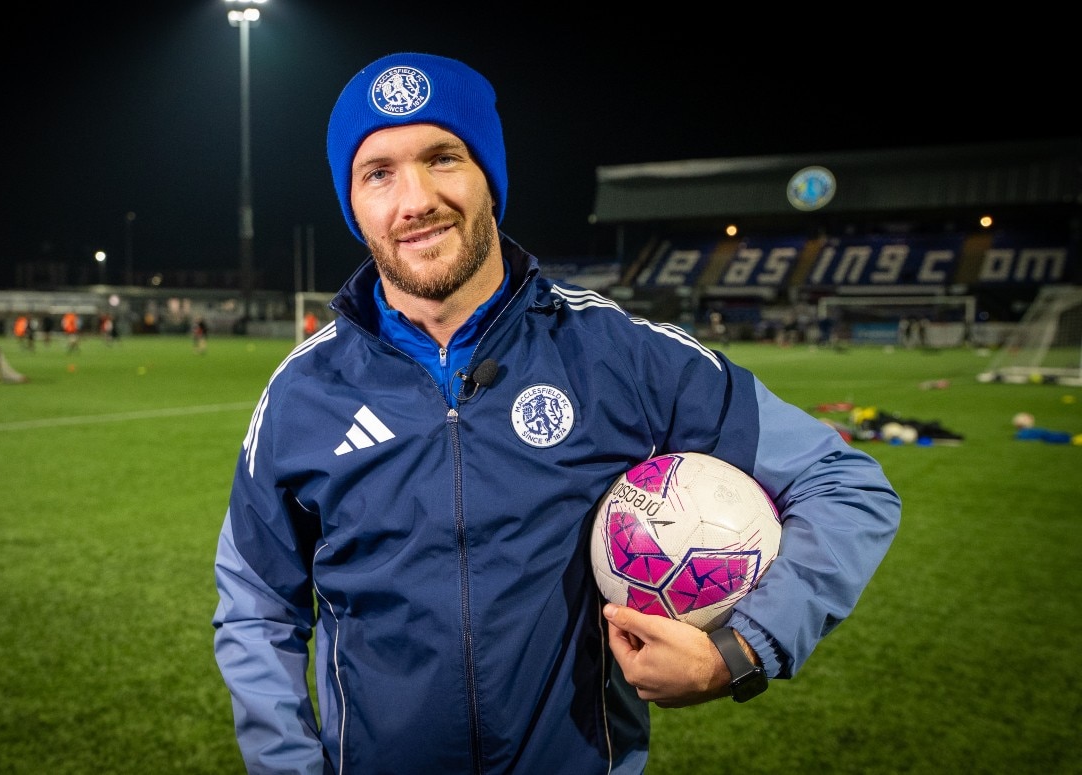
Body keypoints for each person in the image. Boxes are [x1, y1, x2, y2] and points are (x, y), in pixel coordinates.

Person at [211, 52, 901, 774]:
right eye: (377, 172)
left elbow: (843, 483)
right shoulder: (301, 392)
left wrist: (743, 648)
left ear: (490, 178)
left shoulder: (619, 355)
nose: (413, 199)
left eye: (443, 157)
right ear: (353, 203)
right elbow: (256, 605)